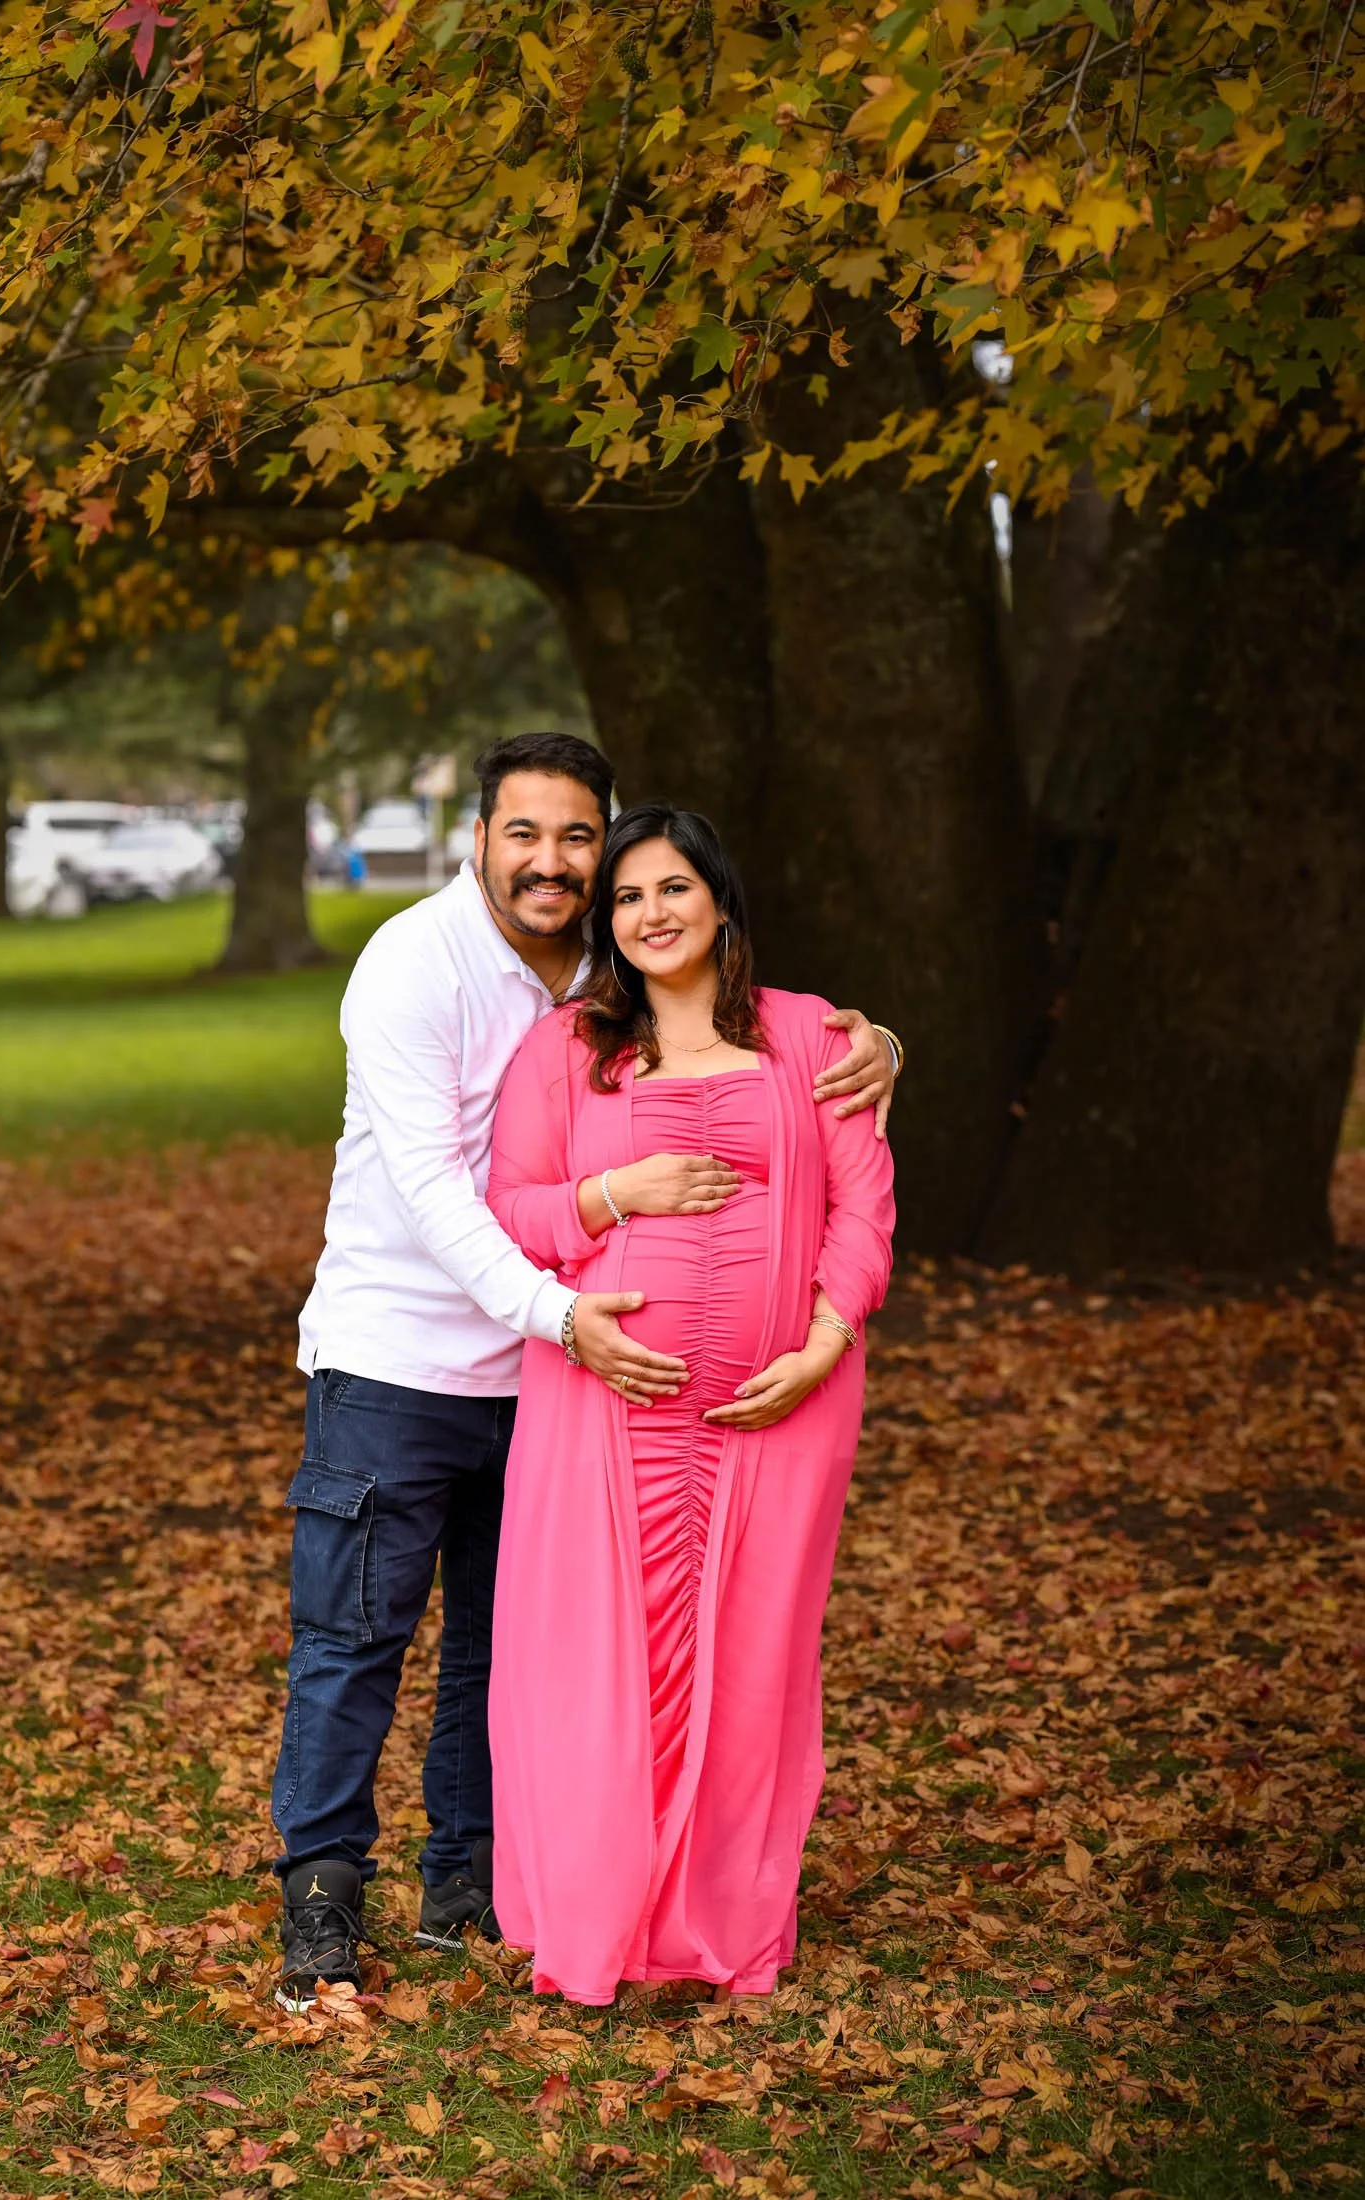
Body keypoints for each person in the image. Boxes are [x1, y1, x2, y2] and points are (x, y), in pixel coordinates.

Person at [270, 734, 901, 2011]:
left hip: (550, 1381)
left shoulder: (603, 980)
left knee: (508, 1653)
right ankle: (322, 1903)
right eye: (526, 836)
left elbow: (830, 1137)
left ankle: (474, 1885)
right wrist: (578, 1278)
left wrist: (885, 1044)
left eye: (580, 843)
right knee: (355, 1639)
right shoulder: (417, 966)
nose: (556, 864)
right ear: (480, 837)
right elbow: (454, 1196)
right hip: (407, 1359)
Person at [485, 803, 896, 2003]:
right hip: (605, 1404)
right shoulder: (569, 1050)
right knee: (595, 1662)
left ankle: (719, 1922)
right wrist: (617, 1191)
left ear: (719, 898)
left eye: (673, 889)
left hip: (779, 1411)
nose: (650, 915)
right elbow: (511, 1211)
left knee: (754, 1657)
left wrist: (823, 1342)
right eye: (626, 898)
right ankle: (602, 1915)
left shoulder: (815, 1036)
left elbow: (863, 1205)